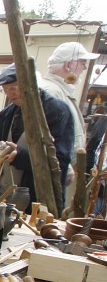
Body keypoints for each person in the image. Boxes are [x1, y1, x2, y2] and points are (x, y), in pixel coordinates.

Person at [0, 64, 74, 213]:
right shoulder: (8, 114)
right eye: (6, 90)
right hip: (2, 195)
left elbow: (60, 160)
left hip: (37, 198)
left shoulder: (56, 111)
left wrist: (21, 156)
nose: (10, 94)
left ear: (30, 84)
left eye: (14, 88)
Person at [39, 42, 100, 194]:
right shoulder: (51, 92)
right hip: (56, 169)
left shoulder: (59, 91)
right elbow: (46, 135)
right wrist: (64, 165)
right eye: (82, 62)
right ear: (68, 65)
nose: (84, 67)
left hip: (63, 166)